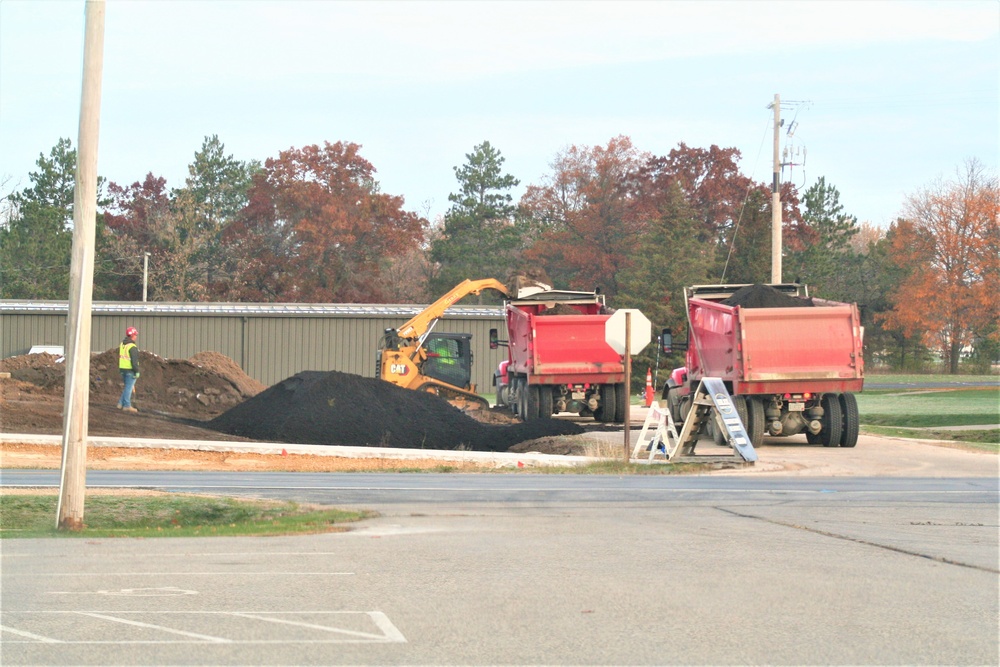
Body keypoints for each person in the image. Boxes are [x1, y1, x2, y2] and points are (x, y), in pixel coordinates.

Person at [117, 326, 140, 413]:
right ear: (132, 336)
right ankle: (126, 405)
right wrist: (136, 371)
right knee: (128, 388)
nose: (136, 336)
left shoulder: (123, 344)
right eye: (135, 335)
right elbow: (134, 362)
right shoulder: (132, 347)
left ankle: (120, 403)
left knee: (127, 387)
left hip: (122, 369)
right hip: (130, 370)